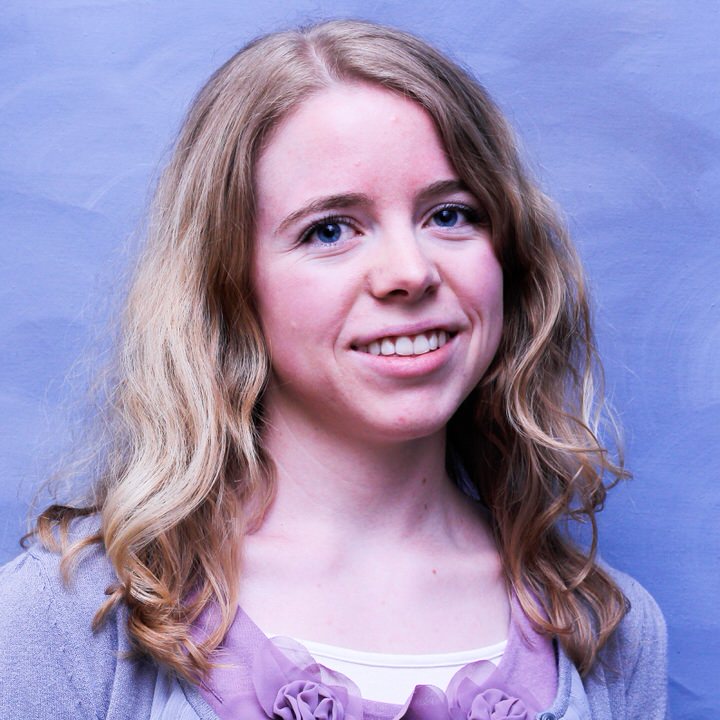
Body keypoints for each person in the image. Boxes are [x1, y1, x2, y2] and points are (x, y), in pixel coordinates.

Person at [0, 19, 668, 720]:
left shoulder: (609, 631)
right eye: (329, 230)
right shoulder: (65, 618)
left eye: (449, 215)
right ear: (229, 283)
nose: (410, 271)